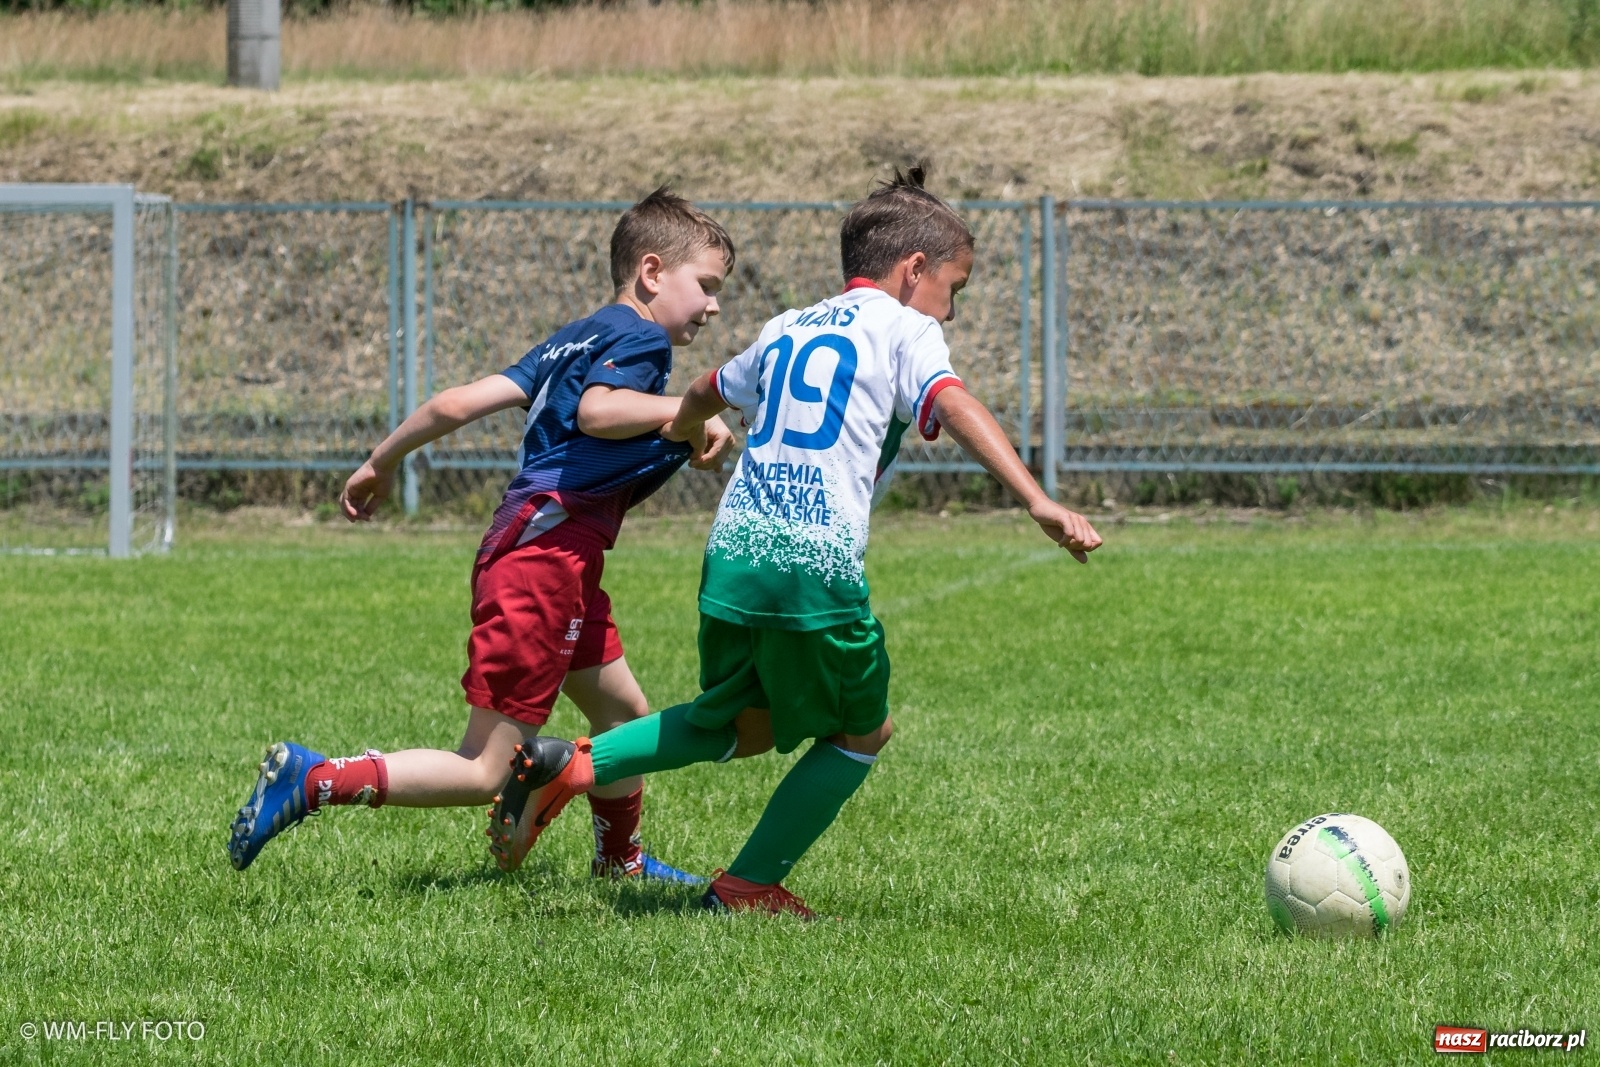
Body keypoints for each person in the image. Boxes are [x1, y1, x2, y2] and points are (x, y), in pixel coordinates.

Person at [485, 168, 1102, 916]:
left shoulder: (790, 325)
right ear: (914, 271)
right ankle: (746, 885)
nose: (952, 308)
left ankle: (571, 763)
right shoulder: (907, 327)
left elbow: (707, 388)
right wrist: (1037, 499)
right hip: (812, 564)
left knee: (739, 722)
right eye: (954, 288)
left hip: (734, 553)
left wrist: (691, 429)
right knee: (864, 730)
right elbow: (952, 400)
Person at [227, 188, 737, 883]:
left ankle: (620, 861)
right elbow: (599, 411)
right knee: (484, 769)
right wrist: (692, 407)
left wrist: (381, 460)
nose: (713, 306)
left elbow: (455, 402)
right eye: (706, 286)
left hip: (545, 552)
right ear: (652, 272)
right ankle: (315, 779)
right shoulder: (642, 340)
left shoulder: (573, 337)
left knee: (624, 715)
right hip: (545, 559)